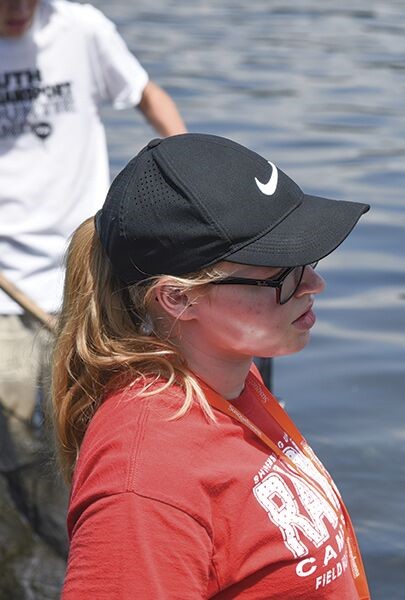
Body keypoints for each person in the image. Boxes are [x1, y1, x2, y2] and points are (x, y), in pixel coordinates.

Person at [52, 133, 372, 598]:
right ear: (178, 297)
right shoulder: (144, 481)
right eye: (280, 272)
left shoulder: (229, 377)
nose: (315, 283)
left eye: (308, 257)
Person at [1, 1, 186, 593]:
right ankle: (29, 555)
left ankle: (92, 556)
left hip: (90, 275)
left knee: (96, 432)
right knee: (16, 440)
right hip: (3, 285)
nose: (16, 11)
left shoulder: (82, 29)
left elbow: (146, 94)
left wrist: (190, 171)